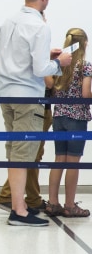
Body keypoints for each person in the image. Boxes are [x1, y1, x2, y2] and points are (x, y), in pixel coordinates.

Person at [0, 0, 71, 226]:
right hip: (27, 95)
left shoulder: (9, 21)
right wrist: (59, 63)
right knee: (24, 154)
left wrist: (45, 56)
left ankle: (17, 206)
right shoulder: (40, 26)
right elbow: (41, 70)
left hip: (5, 92)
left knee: (14, 152)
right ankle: (18, 211)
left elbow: (18, 57)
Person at [45, 28, 91, 218]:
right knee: (73, 163)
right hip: (77, 118)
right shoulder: (85, 66)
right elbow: (85, 94)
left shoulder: (59, 65)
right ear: (84, 44)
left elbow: (49, 85)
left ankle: (53, 203)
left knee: (59, 160)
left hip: (59, 117)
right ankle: (70, 205)